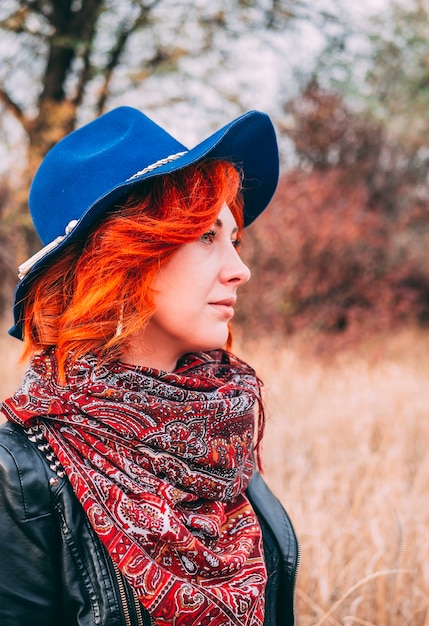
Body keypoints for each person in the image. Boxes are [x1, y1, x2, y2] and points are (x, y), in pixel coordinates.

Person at [0, 107, 298, 626]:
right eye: (206, 236)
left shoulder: (221, 435)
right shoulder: (20, 480)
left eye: (234, 240)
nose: (240, 270)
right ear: (123, 259)